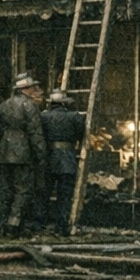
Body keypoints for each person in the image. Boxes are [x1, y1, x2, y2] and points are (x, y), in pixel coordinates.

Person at [0, 72, 46, 238]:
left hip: (5, 152)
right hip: (23, 154)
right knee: (22, 191)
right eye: (32, 87)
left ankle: (1, 225)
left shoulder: (4, 105)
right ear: (26, 89)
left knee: (5, 190)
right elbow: (35, 132)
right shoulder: (30, 106)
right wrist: (41, 154)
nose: (35, 89)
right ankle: (13, 225)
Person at [38, 88, 87, 236]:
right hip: (67, 158)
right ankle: (61, 226)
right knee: (65, 195)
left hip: (48, 158)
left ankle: (40, 224)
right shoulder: (75, 117)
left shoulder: (43, 117)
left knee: (44, 193)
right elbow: (81, 134)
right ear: (64, 103)